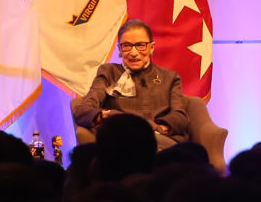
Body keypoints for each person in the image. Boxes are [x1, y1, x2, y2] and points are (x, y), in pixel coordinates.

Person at [72, 19, 191, 151]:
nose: (133, 53)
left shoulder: (170, 77)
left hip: (161, 140)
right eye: (127, 46)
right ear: (119, 49)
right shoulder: (109, 72)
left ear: (151, 47)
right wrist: (111, 115)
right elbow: (82, 110)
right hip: (122, 140)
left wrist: (157, 128)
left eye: (140, 45)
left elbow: (180, 117)